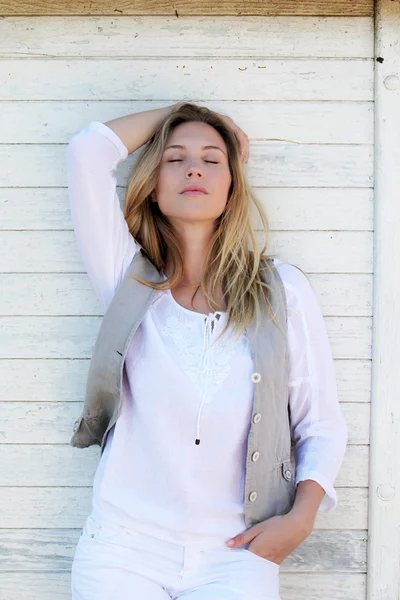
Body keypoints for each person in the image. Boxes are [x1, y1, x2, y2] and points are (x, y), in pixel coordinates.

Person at [67, 102, 348, 600]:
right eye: (174, 159)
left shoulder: (283, 290)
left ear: (233, 184)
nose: (194, 167)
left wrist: (300, 520)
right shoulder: (125, 278)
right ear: (152, 185)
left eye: (212, 159)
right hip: (121, 548)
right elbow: (90, 150)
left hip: (236, 555)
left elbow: (320, 424)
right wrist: (184, 111)